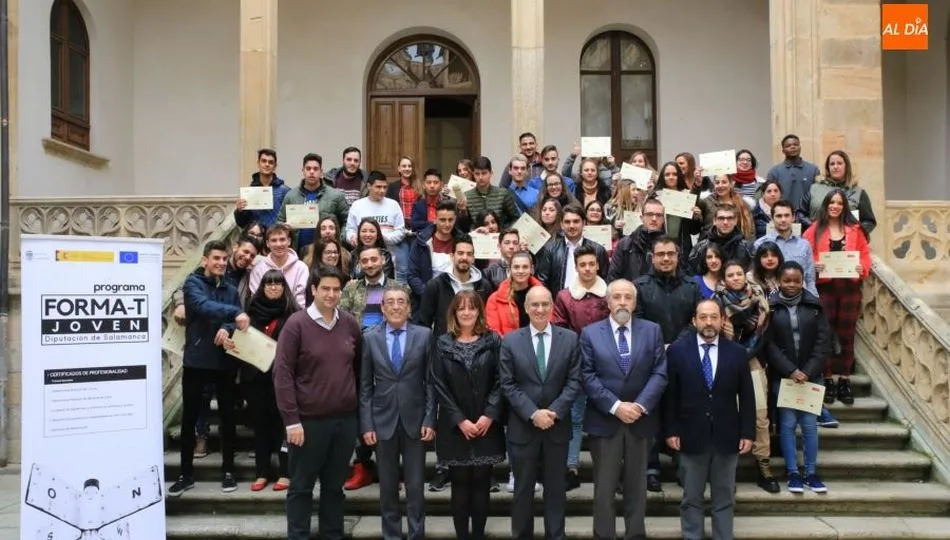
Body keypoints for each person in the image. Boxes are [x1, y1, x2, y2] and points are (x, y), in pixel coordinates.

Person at [272, 266, 363, 540]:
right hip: (307, 423)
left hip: (344, 421)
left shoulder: (349, 323)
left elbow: (357, 369)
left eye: (336, 289)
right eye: (326, 288)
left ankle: (332, 535)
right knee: (301, 487)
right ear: (313, 289)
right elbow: (282, 373)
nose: (331, 294)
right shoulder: (296, 324)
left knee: (335, 488)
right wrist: (291, 421)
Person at [580, 279, 667, 540]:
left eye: (627, 297)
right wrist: (616, 407)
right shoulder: (590, 333)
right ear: (607, 302)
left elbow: (660, 373)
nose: (622, 302)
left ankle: (635, 534)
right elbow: (587, 376)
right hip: (605, 422)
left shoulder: (652, 331)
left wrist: (639, 406)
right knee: (604, 489)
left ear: (635, 302)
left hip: (640, 422)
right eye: (616, 297)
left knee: (636, 487)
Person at [664, 299, 755, 540]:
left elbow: (746, 396)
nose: (708, 322)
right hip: (690, 436)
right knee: (691, 497)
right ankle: (692, 536)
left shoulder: (736, 353)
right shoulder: (677, 351)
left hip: (727, 437)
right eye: (703, 317)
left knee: (724, 497)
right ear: (694, 320)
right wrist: (671, 430)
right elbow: (670, 395)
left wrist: (748, 432)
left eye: (714, 317)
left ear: (723, 320)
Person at [498, 286, 582, 540]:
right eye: (534, 305)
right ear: (526, 308)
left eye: (545, 304)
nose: (540, 309)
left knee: (555, 490)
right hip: (523, 429)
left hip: (557, 429)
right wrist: (533, 414)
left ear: (552, 307)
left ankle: (556, 535)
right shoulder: (511, 341)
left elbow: (574, 381)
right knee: (523, 490)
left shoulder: (569, 339)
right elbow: (507, 384)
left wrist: (554, 412)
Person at [168, 240, 250, 497]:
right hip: (196, 361)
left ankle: (228, 471)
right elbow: (203, 307)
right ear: (205, 260)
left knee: (227, 419)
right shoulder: (193, 284)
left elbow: (232, 322)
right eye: (216, 258)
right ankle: (185, 474)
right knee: (190, 419)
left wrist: (228, 327)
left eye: (224, 259)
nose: (221, 263)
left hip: (224, 362)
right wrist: (235, 312)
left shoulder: (230, 288)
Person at [359, 286, 435, 540]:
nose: (395, 306)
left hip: (415, 421)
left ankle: (416, 534)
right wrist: (367, 425)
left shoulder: (424, 336)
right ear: (381, 308)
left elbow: (431, 382)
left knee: (415, 487)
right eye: (389, 302)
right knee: (388, 487)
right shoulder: (370, 338)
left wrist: (429, 418)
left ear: (409, 307)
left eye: (401, 301)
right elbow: (365, 387)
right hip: (382, 421)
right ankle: (391, 535)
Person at [430, 291, 506, 540]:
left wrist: (489, 415)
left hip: (487, 425)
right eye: (461, 308)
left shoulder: (493, 340)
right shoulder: (442, 342)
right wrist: (460, 420)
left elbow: (501, 380)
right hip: (455, 427)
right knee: (460, 485)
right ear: (454, 312)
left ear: (479, 311)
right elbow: (438, 385)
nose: (466, 312)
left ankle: (479, 535)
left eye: (471, 308)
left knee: (482, 485)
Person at [223, 269, 299, 492]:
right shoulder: (249, 314)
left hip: (283, 381)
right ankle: (261, 472)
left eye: (278, 283)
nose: (273, 287)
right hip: (255, 378)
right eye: (269, 283)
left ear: (284, 287)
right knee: (260, 425)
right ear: (262, 287)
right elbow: (239, 339)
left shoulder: (293, 314)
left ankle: (285, 472)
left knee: (283, 426)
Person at [765, 262, 833, 494]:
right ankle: (793, 472)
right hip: (785, 377)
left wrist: (809, 370)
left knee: (809, 426)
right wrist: (791, 370)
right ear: (779, 281)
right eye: (787, 281)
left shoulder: (814, 305)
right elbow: (769, 344)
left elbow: (823, 341)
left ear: (802, 281)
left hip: (811, 376)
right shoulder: (771, 307)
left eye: (796, 281)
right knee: (786, 425)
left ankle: (811, 472)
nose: (792, 285)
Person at [552, 244, 610, 491]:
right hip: (575, 365)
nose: (587, 268)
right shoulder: (565, 296)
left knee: (608, 416)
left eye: (591, 264)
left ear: (598, 265)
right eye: (582, 265)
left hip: (606, 366)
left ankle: (609, 471)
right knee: (574, 417)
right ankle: (571, 467)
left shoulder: (609, 294)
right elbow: (560, 328)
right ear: (576, 268)